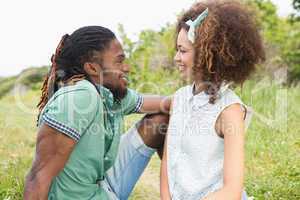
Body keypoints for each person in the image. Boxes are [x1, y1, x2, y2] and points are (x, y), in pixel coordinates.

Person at [24, 26, 170, 200]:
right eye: (119, 61)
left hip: (102, 186)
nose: (127, 68)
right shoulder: (80, 97)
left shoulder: (108, 94)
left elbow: (166, 103)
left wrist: (202, 99)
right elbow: (38, 176)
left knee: (162, 119)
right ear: (92, 68)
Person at [160, 1, 265, 199]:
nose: (176, 58)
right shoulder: (180, 98)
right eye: (177, 49)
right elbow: (168, 161)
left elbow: (231, 191)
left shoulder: (229, 110)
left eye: (182, 51)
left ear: (206, 54)